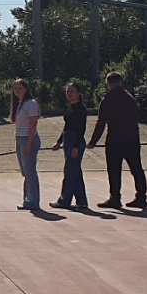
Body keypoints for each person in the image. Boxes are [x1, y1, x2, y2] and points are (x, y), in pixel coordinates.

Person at [90, 72, 147, 209]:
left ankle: (115, 198)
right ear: (121, 82)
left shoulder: (107, 99)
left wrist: (93, 141)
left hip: (114, 139)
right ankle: (141, 197)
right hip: (132, 139)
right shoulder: (130, 98)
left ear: (107, 84)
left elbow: (101, 122)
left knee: (114, 170)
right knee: (136, 168)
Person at [49, 83, 89, 211]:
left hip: (76, 140)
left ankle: (64, 200)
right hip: (68, 139)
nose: (69, 94)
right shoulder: (68, 107)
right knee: (75, 171)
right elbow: (67, 127)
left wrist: (76, 146)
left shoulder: (81, 108)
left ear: (78, 93)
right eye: (68, 91)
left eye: (72, 91)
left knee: (70, 171)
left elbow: (81, 128)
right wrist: (59, 142)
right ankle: (81, 201)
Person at [11, 79, 42, 211]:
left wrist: (29, 144)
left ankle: (33, 201)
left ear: (26, 89)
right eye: (15, 89)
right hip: (20, 138)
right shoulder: (19, 104)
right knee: (26, 172)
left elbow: (33, 125)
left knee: (30, 172)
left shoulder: (31, 104)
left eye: (20, 88)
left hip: (28, 139)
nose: (17, 91)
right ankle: (28, 199)